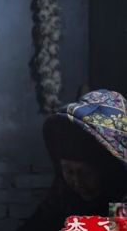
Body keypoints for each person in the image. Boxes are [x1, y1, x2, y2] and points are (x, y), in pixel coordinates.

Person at [18, 89, 127, 231]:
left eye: (85, 173)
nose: (77, 182)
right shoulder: (62, 194)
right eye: (68, 171)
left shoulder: (122, 195)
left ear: (107, 168)